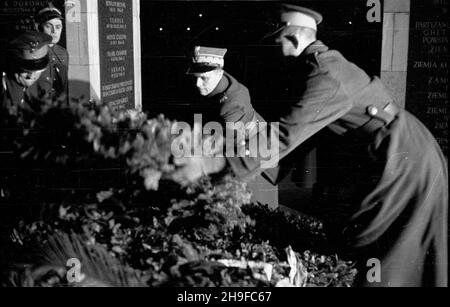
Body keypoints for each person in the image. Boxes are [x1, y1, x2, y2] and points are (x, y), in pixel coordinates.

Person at [171, 4, 448, 287]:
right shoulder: (317, 66)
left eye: (277, 40)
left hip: (404, 156)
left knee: (388, 252)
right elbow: (306, 132)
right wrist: (270, 165)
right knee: (387, 245)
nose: (274, 47)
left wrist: (222, 177)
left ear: (292, 39)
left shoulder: (324, 75)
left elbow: (285, 135)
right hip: (393, 150)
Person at [186, 46, 278, 208]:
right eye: (195, 77)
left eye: (203, 78)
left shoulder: (231, 105)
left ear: (219, 73)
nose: (197, 84)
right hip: (249, 147)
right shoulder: (221, 82)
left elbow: (232, 151)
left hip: (254, 160)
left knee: (255, 211)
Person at [1, 31, 52, 110]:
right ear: (13, 65)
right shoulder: (4, 86)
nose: (31, 76)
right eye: (25, 70)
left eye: (38, 70)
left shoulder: (45, 84)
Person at [33, 4, 69, 100]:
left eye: (58, 27)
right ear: (38, 27)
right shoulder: (32, 52)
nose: (54, 31)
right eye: (49, 26)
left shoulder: (63, 53)